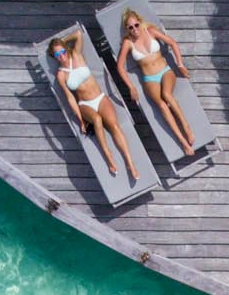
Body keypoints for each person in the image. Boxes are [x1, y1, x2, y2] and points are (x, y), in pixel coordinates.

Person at [48, 32, 138, 180]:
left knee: (114, 126)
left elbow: (78, 34)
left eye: (62, 51)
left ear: (66, 49)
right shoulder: (61, 75)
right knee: (96, 120)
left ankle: (130, 163)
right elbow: (70, 98)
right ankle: (108, 156)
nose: (61, 55)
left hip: (100, 98)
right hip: (84, 104)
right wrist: (81, 120)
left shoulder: (76, 55)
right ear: (54, 56)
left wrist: (59, 42)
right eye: (57, 54)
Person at [114, 10, 196, 157]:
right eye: (130, 27)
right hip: (149, 79)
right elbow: (119, 67)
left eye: (136, 25)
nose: (134, 29)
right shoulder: (128, 42)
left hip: (165, 71)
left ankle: (186, 125)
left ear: (140, 21)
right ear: (127, 29)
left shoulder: (150, 31)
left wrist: (180, 64)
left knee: (166, 94)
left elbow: (172, 43)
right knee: (162, 106)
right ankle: (183, 141)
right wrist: (131, 87)